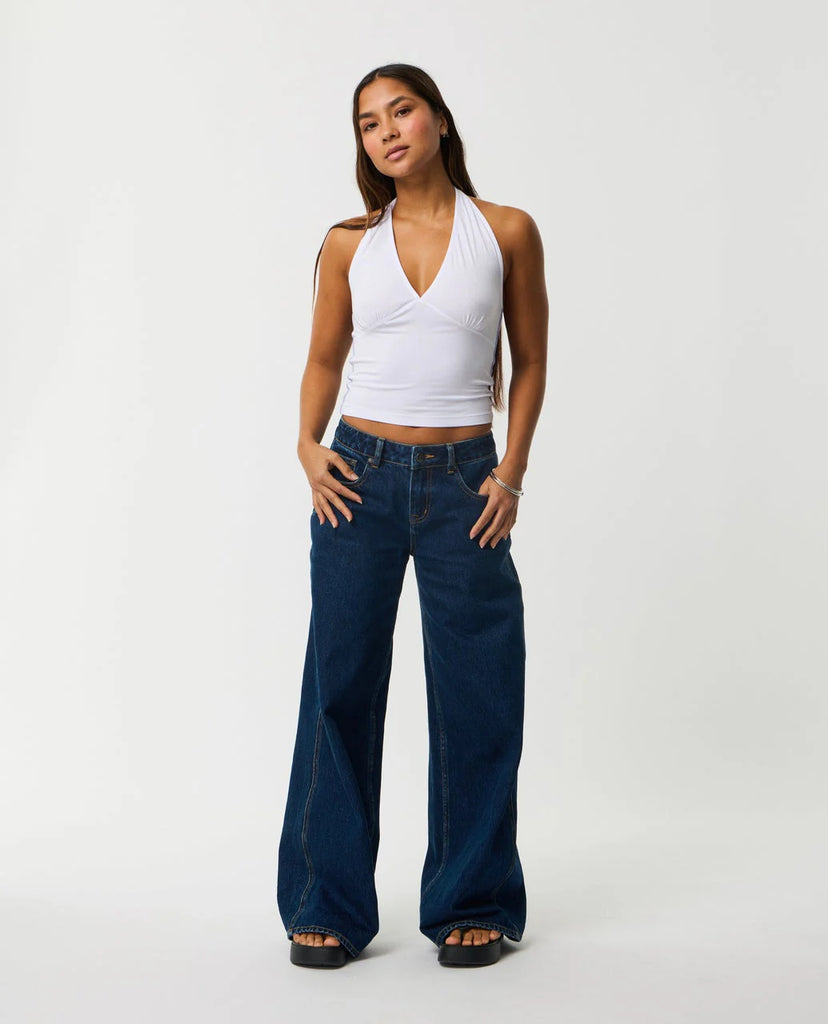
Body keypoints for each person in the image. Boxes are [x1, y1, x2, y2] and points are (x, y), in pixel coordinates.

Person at [276, 63, 548, 969]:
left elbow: (530, 359)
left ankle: (472, 899)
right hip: (358, 476)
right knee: (339, 685)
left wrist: (510, 473)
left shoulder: (505, 230)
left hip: (467, 480)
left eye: (402, 111)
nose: (387, 131)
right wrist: (308, 446)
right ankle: (324, 900)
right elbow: (324, 357)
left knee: (478, 689)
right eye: (369, 122)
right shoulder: (349, 243)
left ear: (439, 120)